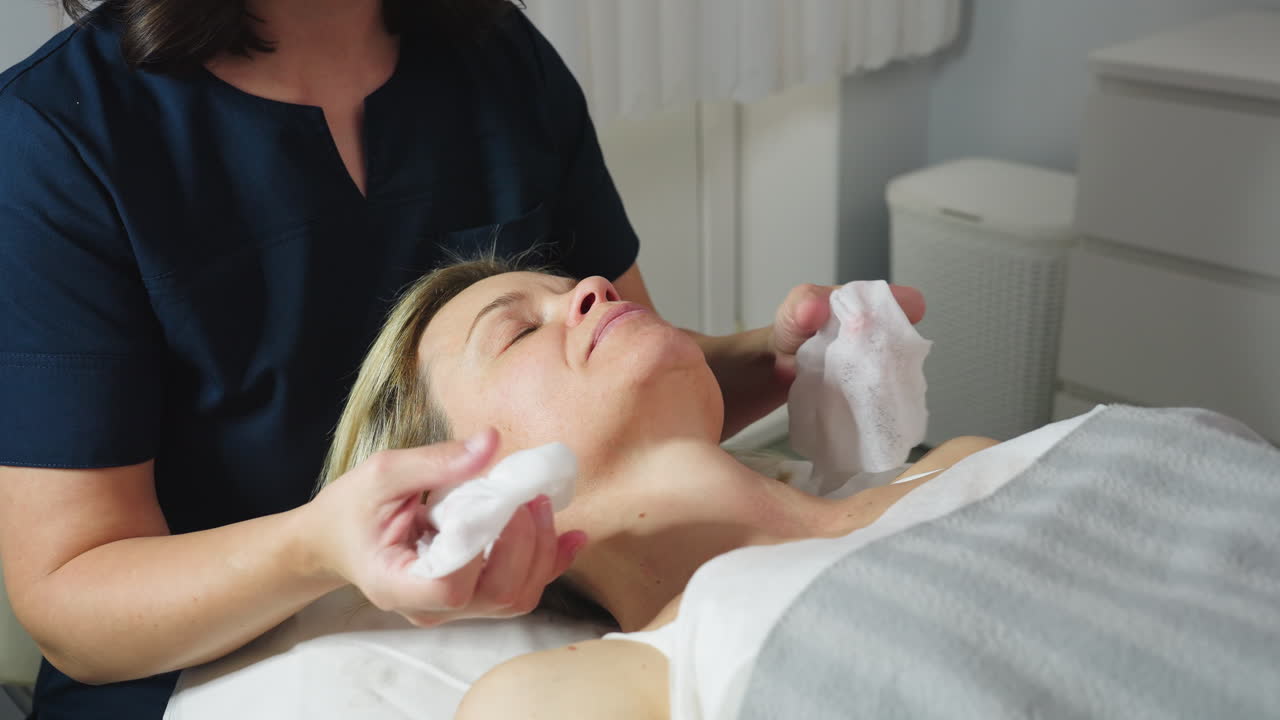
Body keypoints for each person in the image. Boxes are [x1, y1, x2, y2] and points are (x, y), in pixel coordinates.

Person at [0, 1, 925, 718]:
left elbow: (630, 381)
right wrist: (320, 545)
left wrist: (774, 358)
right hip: (194, 680)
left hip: (558, 604)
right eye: (515, 327)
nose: (585, 297)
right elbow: (74, 594)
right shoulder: (59, 145)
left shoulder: (494, 55)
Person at [317, 258, 1280, 720]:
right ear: (461, 501)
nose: (591, 292)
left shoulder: (966, 462)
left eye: (571, 282)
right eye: (518, 330)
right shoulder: (585, 691)